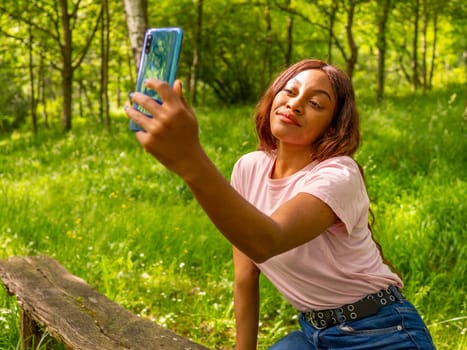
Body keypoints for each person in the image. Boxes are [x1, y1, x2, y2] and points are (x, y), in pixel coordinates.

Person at [125, 59, 436, 349]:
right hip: (313, 335)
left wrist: (190, 159)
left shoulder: (339, 174)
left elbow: (266, 240)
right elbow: (246, 275)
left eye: (315, 103)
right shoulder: (249, 168)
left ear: (332, 125)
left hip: (381, 332)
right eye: (290, 91)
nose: (296, 104)